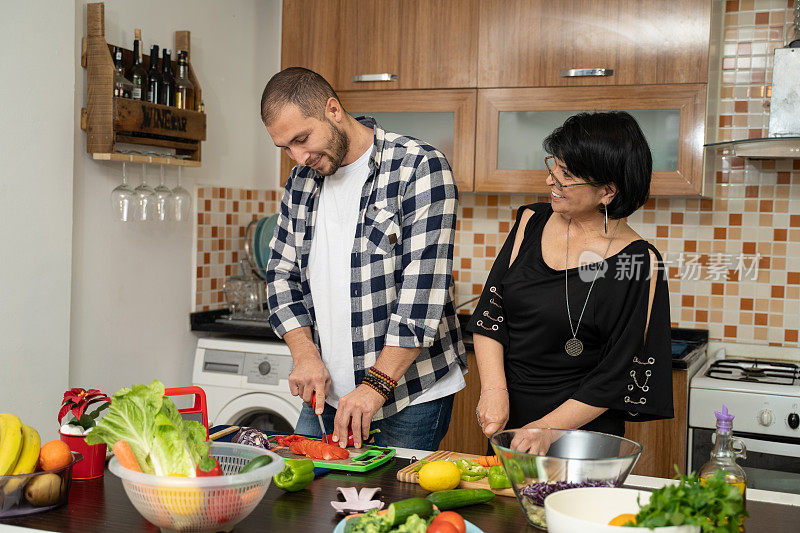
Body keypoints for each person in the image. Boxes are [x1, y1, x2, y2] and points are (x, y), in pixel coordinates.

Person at [260, 67, 466, 451]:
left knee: (388, 510)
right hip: (328, 395)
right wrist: (304, 356)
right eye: (286, 147)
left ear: (333, 109)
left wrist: (375, 386)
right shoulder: (301, 182)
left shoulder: (418, 167)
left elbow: (421, 297)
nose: (298, 157)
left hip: (407, 395)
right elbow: (281, 275)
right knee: (305, 505)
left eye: (302, 139)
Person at [467, 111, 673, 453]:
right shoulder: (530, 222)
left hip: (582, 435)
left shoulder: (640, 262)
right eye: (554, 168)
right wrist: (493, 390)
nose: (551, 181)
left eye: (566, 176)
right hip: (509, 421)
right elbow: (491, 314)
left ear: (607, 191)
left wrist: (546, 429)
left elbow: (617, 374)